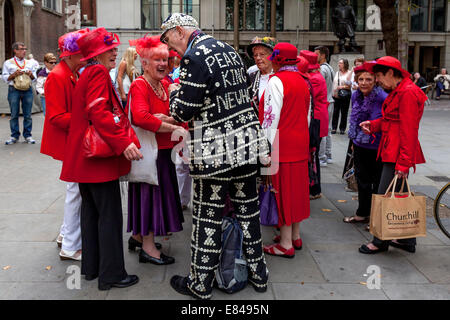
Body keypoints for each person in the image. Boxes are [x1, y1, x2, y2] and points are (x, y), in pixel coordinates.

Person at [161, 13, 269, 299]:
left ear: (180, 31)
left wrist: (173, 92)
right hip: (248, 145)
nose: (171, 48)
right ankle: (259, 275)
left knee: (207, 215)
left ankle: (200, 284)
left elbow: (182, 111)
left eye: (170, 40)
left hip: (215, 153)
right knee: (249, 212)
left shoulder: (194, 57)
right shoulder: (229, 50)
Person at [60, 27, 143, 290]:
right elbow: (99, 112)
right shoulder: (97, 72)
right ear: (97, 52)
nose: (114, 52)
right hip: (97, 161)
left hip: (86, 161)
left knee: (91, 213)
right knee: (109, 216)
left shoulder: (87, 71)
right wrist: (123, 143)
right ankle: (112, 274)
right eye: (109, 49)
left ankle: (93, 268)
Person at [358, 56, 427, 254]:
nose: (377, 80)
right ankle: (406, 240)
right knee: (398, 195)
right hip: (394, 150)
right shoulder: (401, 90)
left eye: (378, 76)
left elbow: (409, 130)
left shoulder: (406, 93)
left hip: (397, 153)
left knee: (384, 195)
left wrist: (404, 163)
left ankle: (379, 241)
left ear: (390, 73)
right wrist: (375, 125)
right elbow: (393, 120)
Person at [126, 35, 185, 265]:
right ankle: (149, 250)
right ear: (144, 63)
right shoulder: (139, 84)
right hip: (151, 154)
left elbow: (178, 114)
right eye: (157, 60)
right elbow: (141, 117)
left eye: (165, 59)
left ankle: (139, 237)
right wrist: (173, 126)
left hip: (162, 151)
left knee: (150, 198)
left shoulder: (165, 84)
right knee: (150, 199)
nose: (163, 64)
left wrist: (170, 122)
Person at [41, 30, 89, 261]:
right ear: (68, 55)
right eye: (80, 54)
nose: (84, 58)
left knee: (75, 192)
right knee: (75, 193)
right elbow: (56, 116)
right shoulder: (58, 76)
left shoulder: (68, 73)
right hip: (68, 141)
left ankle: (65, 236)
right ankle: (70, 246)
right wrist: (87, 119)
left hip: (71, 140)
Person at [260, 43, 310, 259]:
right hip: (300, 142)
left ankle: (286, 243)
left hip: (282, 143)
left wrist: (265, 146)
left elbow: (271, 117)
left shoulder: (276, 81)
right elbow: (307, 116)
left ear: (277, 59)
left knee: (282, 192)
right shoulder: (302, 80)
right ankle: (295, 236)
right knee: (297, 191)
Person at [343, 62, 386, 228]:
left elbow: (384, 122)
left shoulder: (382, 96)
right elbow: (354, 119)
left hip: (377, 146)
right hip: (360, 144)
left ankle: (375, 219)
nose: (364, 82)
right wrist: (354, 141)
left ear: (375, 80)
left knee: (377, 183)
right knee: (362, 181)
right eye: (361, 79)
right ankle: (362, 213)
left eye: (368, 79)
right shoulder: (355, 95)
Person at [300, 50, 329, 200]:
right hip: (317, 118)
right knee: (313, 155)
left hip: (316, 120)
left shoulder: (314, 79)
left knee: (312, 155)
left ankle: (314, 189)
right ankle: (313, 187)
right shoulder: (315, 76)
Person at [2, 42, 37, 145]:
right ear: (15, 50)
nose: (24, 51)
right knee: (14, 114)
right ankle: (14, 135)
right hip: (14, 89)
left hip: (27, 89)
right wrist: (14, 75)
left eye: (25, 49)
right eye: (21, 49)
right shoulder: (8, 63)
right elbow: (4, 77)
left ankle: (28, 135)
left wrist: (31, 75)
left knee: (28, 114)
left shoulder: (29, 63)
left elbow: (34, 78)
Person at [314, 46, 335, 166]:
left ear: (322, 55)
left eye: (316, 54)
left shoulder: (322, 69)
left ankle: (321, 157)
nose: (314, 56)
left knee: (321, 130)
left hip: (324, 102)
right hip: (330, 100)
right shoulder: (330, 68)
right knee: (328, 130)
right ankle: (328, 155)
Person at [246, 36, 277, 116]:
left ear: (272, 56)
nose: (258, 58)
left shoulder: (280, 77)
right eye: (255, 55)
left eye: (262, 54)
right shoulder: (251, 77)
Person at [332, 58, 352, 134]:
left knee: (344, 112)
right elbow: (335, 84)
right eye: (339, 63)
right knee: (335, 112)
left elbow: (351, 85)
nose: (339, 64)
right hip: (336, 95)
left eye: (341, 63)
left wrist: (342, 87)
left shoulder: (349, 73)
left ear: (345, 64)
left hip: (345, 95)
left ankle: (342, 128)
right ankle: (334, 128)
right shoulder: (337, 73)